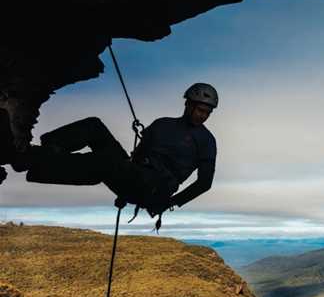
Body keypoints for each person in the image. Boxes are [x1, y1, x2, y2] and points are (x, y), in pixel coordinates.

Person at [2, 83, 218, 224]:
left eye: (207, 112)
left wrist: (169, 203)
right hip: (136, 175)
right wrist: (124, 185)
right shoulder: (162, 125)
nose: (203, 116)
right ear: (188, 104)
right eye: (200, 110)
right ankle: (42, 152)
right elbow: (138, 155)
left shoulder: (207, 141)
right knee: (94, 127)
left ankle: (30, 160)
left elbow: (204, 183)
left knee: (105, 161)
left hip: (156, 190)